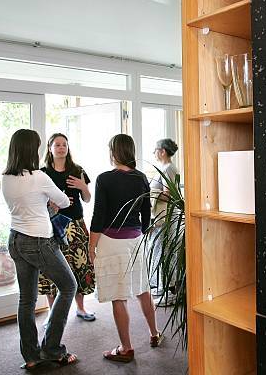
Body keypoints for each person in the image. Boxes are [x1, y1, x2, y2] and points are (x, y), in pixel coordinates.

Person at [2, 129, 78, 370]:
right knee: (68, 286)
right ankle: (53, 349)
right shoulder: (39, 177)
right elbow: (65, 202)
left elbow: (24, 203)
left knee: (26, 299)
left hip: (15, 239)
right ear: (30, 150)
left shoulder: (6, 176)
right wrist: (51, 201)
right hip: (38, 241)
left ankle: (32, 356)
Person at [89, 134, 163, 363]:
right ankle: (154, 334)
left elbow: (98, 215)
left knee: (118, 297)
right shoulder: (141, 178)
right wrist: (140, 233)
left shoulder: (104, 179)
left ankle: (126, 348)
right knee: (143, 289)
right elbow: (146, 214)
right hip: (136, 239)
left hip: (112, 242)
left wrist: (92, 246)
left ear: (113, 152)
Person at [38, 133, 96, 321]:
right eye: (57, 145)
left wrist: (82, 186)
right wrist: (50, 205)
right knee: (52, 269)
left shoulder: (77, 169)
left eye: (64, 144)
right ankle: (52, 314)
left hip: (76, 224)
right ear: (50, 148)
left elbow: (87, 199)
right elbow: (38, 201)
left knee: (79, 265)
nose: (61, 148)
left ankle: (81, 308)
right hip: (52, 226)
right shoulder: (43, 173)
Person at [149, 138, 179, 297]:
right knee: (160, 249)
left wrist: (149, 193)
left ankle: (168, 286)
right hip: (161, 215)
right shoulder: (165, 167)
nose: (154, 153)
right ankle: (163, 284)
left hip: (165, 216)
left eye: (155, 149)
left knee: (164, 250)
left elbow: (169, 195)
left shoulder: (168, 168)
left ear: (162, 151)